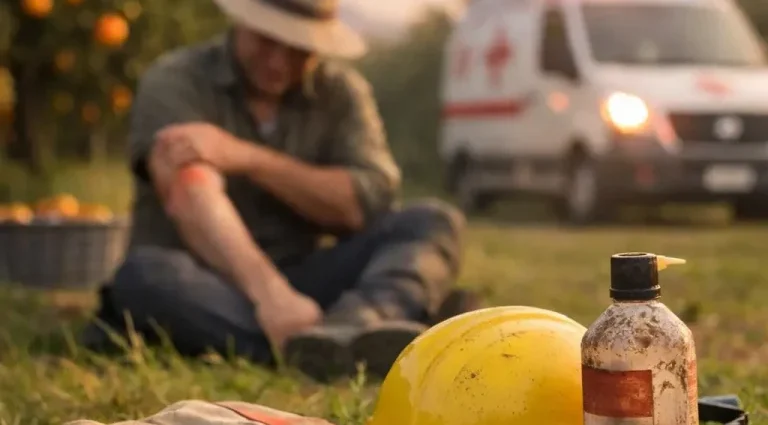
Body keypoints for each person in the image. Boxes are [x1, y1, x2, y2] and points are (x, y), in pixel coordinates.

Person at [79, 0, 479, 381]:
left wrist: (248, 158)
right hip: (203, 282)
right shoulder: (176, 79)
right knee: (145, 276)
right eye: (267, 40)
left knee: (431, 221)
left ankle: (362, 322)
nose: (278, 62)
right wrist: (270, 295)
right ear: (242, 22)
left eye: (299, 49)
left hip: (306, 278)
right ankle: (348, 343)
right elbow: (189, 195)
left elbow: (366, 202)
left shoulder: (341, 92)